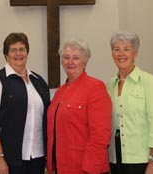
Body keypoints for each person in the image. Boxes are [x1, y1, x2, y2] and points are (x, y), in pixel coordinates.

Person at [0, 32, 50, 174]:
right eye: (13, 50)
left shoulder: (38, 81)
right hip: (9, 159)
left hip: (37, 157)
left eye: (22, 49)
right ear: (6, 54)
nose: (18, 53)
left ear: (27, 52)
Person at [46, 39, 112, 174]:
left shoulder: (96, 88)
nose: (70, 62)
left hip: (84, 168)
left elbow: (100, 136)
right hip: (60, 167)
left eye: (76, 58)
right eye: (66, 57)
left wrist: (90, 169)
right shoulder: (60, 92)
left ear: (85, 61)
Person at [107, 30, 153, 174]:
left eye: (126, 49)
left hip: (143, 160)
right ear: (112, 53)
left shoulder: (148, 81)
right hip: (116, 160)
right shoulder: (110, 85)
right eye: (117, 49)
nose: (121, 54)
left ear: (135, 53)